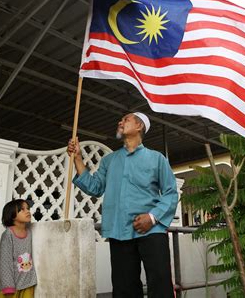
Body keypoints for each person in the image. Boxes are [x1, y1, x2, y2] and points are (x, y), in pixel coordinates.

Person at [67, 112, 178, 298]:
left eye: (126, 119)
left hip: (151, 231)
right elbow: (95, 188)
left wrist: (152, 217)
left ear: (139, 126)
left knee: (160, 286)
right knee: (124, 289)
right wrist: (78, 158)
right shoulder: (109, 161)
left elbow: (170, 194)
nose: (120, 122)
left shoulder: (157, 158)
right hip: (119, 232)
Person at [0, 199, 37, 298]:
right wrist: (8, 286)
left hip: (27, 282)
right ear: (11, 215)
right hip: (11, 286)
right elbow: (5, 262)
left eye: (28, 208)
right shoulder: (8, 235)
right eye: (22, 209)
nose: (27, 211)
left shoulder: (29, 232)